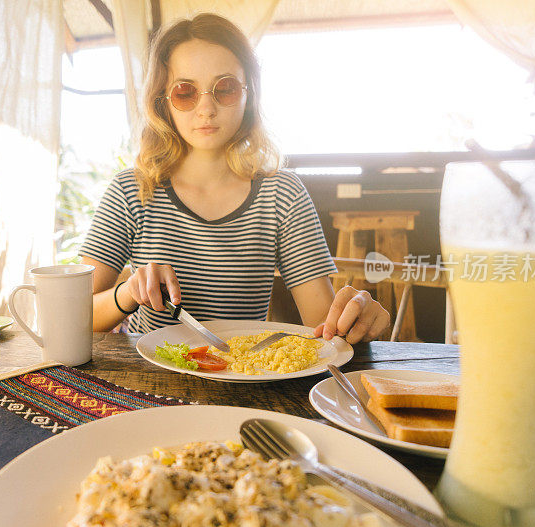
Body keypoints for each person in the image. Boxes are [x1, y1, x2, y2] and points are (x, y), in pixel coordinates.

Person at [80, 13, 389, 344]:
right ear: (162, 100)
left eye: (224, 89)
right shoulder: (131, 191)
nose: (206, 108)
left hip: (245, 383)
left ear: (248, 94)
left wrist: (357, 317)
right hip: (146, 387)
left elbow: (326, 331)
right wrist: (127, 293)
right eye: (185, 92)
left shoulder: (282, 195)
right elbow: (78, 315)